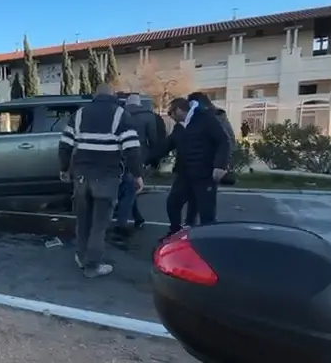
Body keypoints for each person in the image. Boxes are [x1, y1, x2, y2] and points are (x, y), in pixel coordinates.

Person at [59, 83, 144, 278]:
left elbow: (65, 144)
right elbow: (132, 148)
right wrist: (137, 175)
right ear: (112, 95)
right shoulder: (120, 114)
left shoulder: (79, 114)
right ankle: (92, 266)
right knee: (99, 223)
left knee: (83, 219)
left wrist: (64, 169)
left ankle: (81, 257)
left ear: (95, 95)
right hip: (106, 177)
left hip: (81, 175)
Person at [150, 97, 230, 238]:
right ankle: (174, 233)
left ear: (179, 110)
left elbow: (224, 141)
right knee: (173, 203)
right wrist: (147, 160)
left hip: (205, 175)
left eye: (170, 113)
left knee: (206, 212)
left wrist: (220, 165)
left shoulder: (206, 120)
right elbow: (166, 146)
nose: (170, 117)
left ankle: (209, 241)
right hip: (185, 174)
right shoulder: (179, 128)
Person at [183, 92, 236, 227]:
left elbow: (226, 141)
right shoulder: (202, 118)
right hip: (198, 170)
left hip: (208, 169)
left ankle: (207, 235)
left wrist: (220, 165)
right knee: (194, 203)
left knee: (206, 209)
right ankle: (191, 232)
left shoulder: (212, 118)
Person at [113, 94, 157, 236]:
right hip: (139, 154)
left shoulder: (119, 114)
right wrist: (153, 159)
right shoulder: (148, 116)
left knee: (128, 187)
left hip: (120, 154)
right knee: (131, 188)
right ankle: (122, 221)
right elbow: (153, 138)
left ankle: (137, 218)